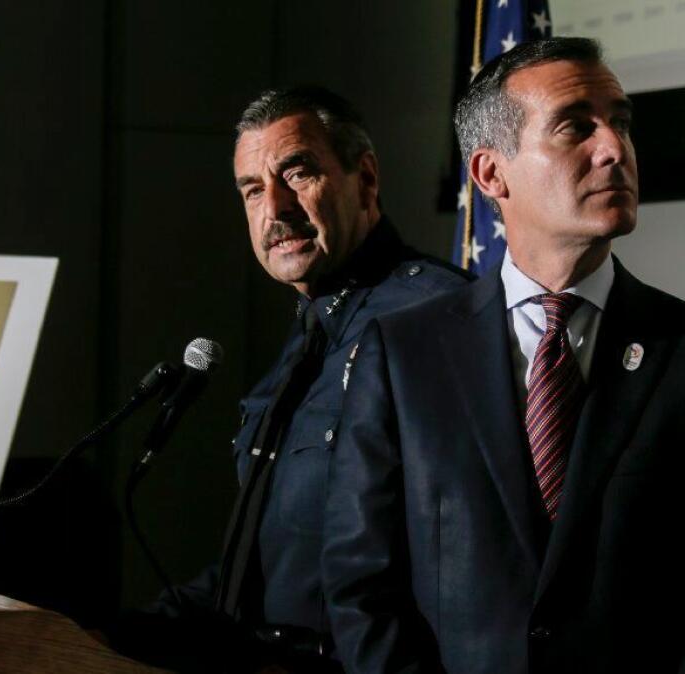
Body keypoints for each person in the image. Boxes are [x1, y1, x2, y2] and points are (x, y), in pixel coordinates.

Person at [322, 38, 685, 674]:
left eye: (620, 123)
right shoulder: (402, 356)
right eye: (576, 126)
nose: (613, 149)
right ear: (491, 173)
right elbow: (360, 584)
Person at [115, 87, 472, 671]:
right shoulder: (305, 339)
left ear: (366, 178)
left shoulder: (437, 317)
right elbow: (275, 563)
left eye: (297, 173)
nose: (275, 209)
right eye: (253, 190)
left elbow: (469, 562)